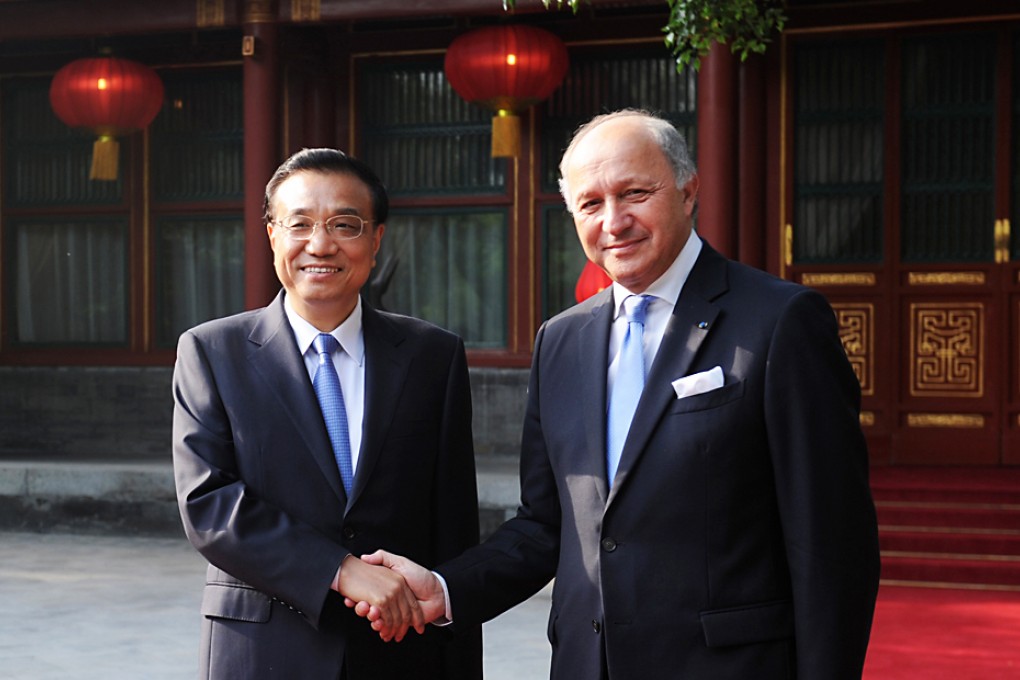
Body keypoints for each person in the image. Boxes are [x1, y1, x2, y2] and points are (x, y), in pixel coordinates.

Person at [355, 110, 881, 679]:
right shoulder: (561, 340)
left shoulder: (780, 321)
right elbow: (544, 525)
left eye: (635, 193)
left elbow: (831, 543)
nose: (614, 221)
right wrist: (446, 587)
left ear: (688, 191)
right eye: (590, 203)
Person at [172, 148, 482, 679]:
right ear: (272, 236)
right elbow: (209, 504)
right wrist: (339, 569)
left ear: (376, 239)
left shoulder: (433, 356)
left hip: (401, 649)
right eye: (300, 224)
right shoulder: (212, 352)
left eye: (345, 224)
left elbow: (454, 528)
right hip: (263, 649)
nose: (320, 244)